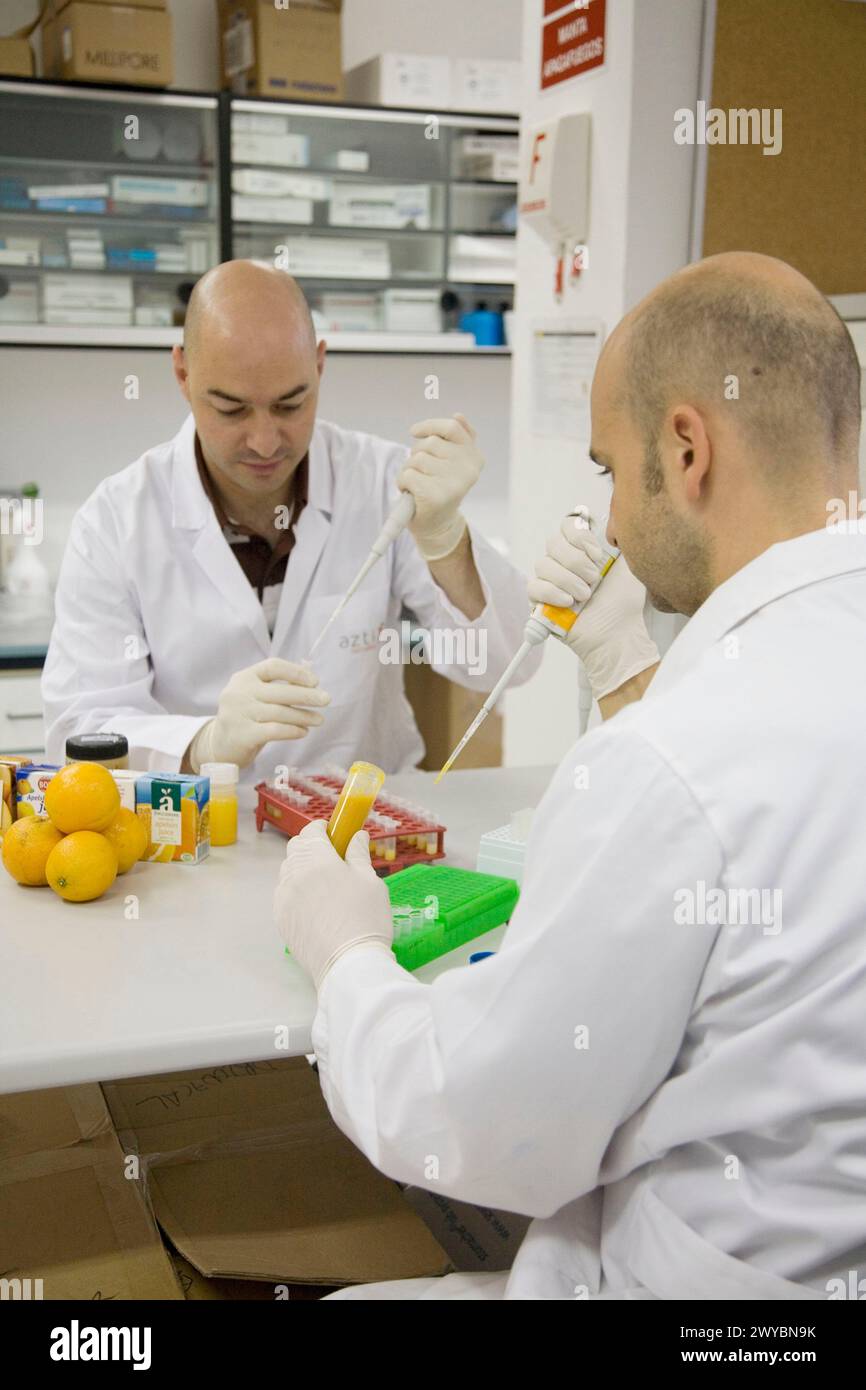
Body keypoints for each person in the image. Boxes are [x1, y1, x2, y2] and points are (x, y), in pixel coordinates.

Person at [275, 252, 866, 1300]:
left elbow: (474, 1124)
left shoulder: (663, 763)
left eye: (605, 469)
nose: (609, 519)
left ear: (685, 449)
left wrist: (348, 952)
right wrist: (627, 669)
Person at [42, 261, 540, 778]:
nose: (264, 441)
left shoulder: (384, 483)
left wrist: (446, 539)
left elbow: (506, 665)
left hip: (364, 836)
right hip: (198, 835)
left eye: (289, 404)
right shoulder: (116, 521)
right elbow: (81, 728)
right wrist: (205, 743)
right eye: (231, 409)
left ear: (319, 366)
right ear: (183, 374)